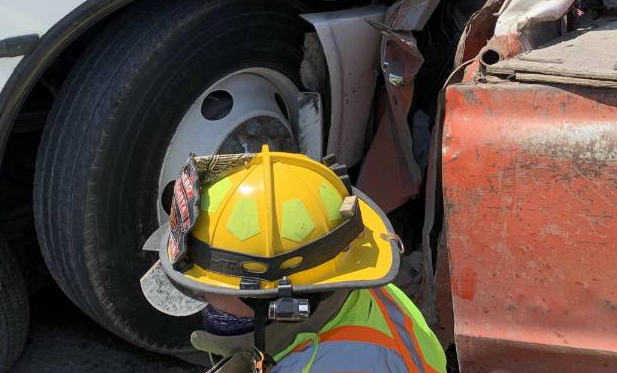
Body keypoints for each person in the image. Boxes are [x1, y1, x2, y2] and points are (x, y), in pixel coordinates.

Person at [141, 146, 446, 372]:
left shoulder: (320, 366)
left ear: (281, 305)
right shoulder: (342, 283)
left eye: (210, 290)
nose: (201, 296)